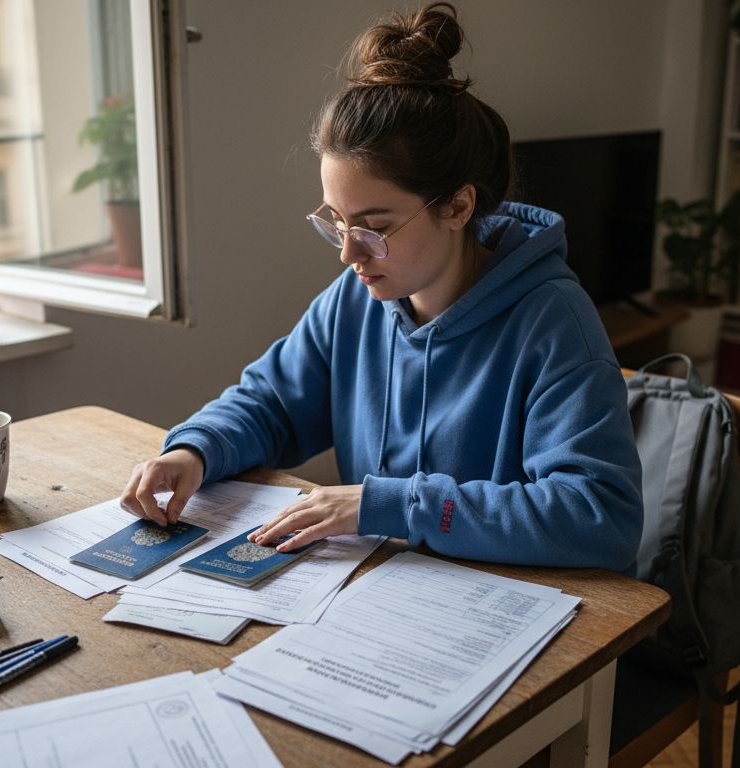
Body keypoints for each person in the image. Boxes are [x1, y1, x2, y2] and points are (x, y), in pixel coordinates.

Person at [120, 2, 643, 573]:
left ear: (458, 206)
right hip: (377, 592)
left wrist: (390, 503)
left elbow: (600, 517)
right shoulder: (355, 299)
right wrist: (194, 449)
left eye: (375, 228)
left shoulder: (553, 321)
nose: (349, 254)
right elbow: (271, 403)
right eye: (337, 223)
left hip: (502, 609)